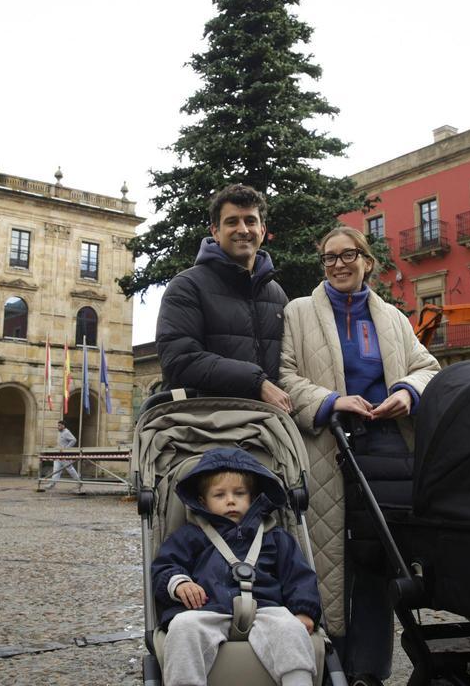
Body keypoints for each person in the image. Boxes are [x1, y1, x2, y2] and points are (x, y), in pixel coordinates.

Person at [279, 226, 440, 686]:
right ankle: (327, 666)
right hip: (327, 446)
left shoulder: (392, 317)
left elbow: (427, 367)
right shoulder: (299, 312)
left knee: (377, 562)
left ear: (367, 260)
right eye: (328, 258)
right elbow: (284, 376)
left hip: (387, 449)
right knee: (325, 561)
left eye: (348, 255)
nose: (338, 265)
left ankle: (368, 671)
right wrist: (332, 400)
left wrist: (408, 392)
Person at [152, 448, 321, 686]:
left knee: (290, 629)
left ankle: (298, 682)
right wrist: (180, 583)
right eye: (219, 495)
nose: (230, 500)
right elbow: (165, 565)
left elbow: (299, 575)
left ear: (252, 497)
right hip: (208, 608)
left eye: (239, 493)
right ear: (203, 501)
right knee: (182, 627)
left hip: (266, 608)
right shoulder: (191, 536)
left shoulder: (275, 536)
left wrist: (303, 610)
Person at [156, 183, 292, 412]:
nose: (243, 229)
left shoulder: (276, 294)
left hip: (271, 428)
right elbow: (179, 360)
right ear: (215, 232)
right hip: (208, 426)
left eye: (250, 221)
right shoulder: (186, 286)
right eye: (232, 222)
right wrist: (256, 382)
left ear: (262, 230)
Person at [44, 420, 80, 489]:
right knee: (56, 469)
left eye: (59, 425)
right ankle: (52, 484)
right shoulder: (59, 432)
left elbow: (74, 440)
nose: (58, 427)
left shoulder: (66, 432)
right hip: (58, 454)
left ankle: (79, 482)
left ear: (63, 426)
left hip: (64, 455)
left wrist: (66, 448)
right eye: (58, 425)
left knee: (70, 469)